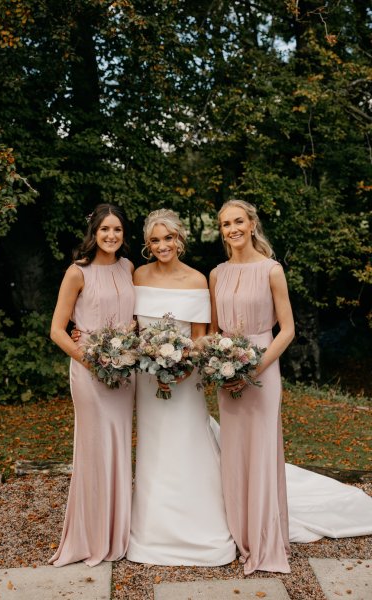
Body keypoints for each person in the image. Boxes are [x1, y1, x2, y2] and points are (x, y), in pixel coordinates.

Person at [126, 208, 236, 566]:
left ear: (180, 239)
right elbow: (133, 329)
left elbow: (202, 336)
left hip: (187, 379)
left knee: (189, 440)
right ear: (147, 244)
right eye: (155, 240)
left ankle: (201, 525)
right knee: (155, 447)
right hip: (147, 379)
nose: (162, 245)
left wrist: (185, 366)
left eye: (168, 238)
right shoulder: (138, 275)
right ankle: (153, 530)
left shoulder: (196, 279)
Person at [209, 199, 294, 575]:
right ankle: (238, 533)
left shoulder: (272, 270)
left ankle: (263, 538)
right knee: (234, 451)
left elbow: (288, 330)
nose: (233, 229)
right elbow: (212, 330)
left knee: (261, 450)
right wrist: (220, 363)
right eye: (226, 223)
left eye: (238, 221)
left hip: (262, 367)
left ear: (252, 223)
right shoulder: (216, 274)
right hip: (226, 370)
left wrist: (253, 367)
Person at [49, 203, 135, 567]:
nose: (111, 236)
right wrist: (93, 360)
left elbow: (134, 317)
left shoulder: (129, 267)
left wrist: (129, 342)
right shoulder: (77, 273)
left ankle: (118, 532)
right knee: (93, 448)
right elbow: (57, 330)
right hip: (89, 371)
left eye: (117, 230)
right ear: (94, 234)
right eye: (105, 230)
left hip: (125, 371)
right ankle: (89, 536)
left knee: (118, 446)